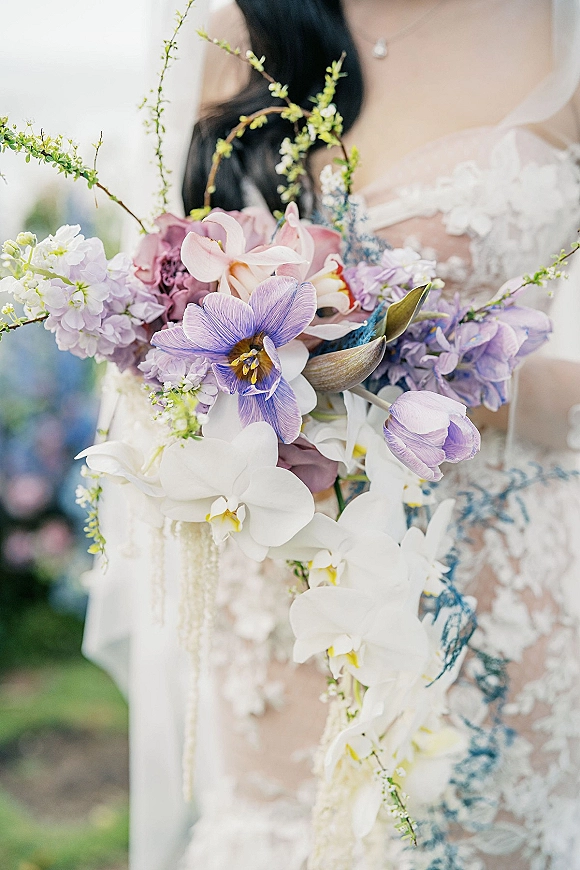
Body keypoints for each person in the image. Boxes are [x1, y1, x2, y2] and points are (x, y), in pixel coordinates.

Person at [84, 1, 580, 868]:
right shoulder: (240, 28)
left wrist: (426, 370)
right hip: (280, 576)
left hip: (494, 589)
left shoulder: (555, 27)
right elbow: (152, 319)